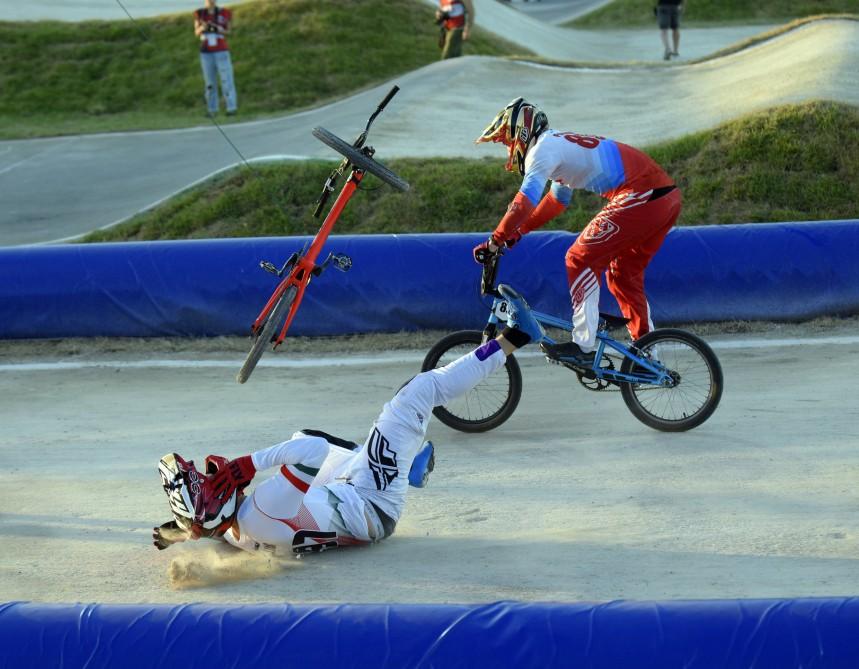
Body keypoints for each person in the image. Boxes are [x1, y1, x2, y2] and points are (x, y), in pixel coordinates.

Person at [153, 285, 544, 556]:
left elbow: (213, 529)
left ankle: (401, 462)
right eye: (205, 482)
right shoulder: (259, 510)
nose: (211, 473)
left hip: (354, 502)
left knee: (302, 434)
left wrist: (184, 531)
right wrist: (248, 464)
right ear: (214, 503)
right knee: (417, 394)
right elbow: (313, 453)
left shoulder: (239, 532)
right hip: (371, 500)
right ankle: (518, 336)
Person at [472, 98, 682, 367]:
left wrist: (495, 240)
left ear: (521, 132)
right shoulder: (557, 145)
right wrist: (518, 231)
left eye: (507, 140)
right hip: (665, 198)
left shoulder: (541, 151)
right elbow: (557, 201)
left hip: (640, 194)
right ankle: (647, 353)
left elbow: (524, 201)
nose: (509, 148)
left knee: (579, 258)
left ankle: (583, 343)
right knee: (622, 276)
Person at [194, 0, 237, 116]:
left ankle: (231, 107)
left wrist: (219, 29)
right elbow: (196, 32)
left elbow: (228, 31)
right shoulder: (199, 13)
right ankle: (212, 109)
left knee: (226, 79)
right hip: (206, 51)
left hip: (221, 50)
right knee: (209, 82)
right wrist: (203, 28)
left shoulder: (224, 12)